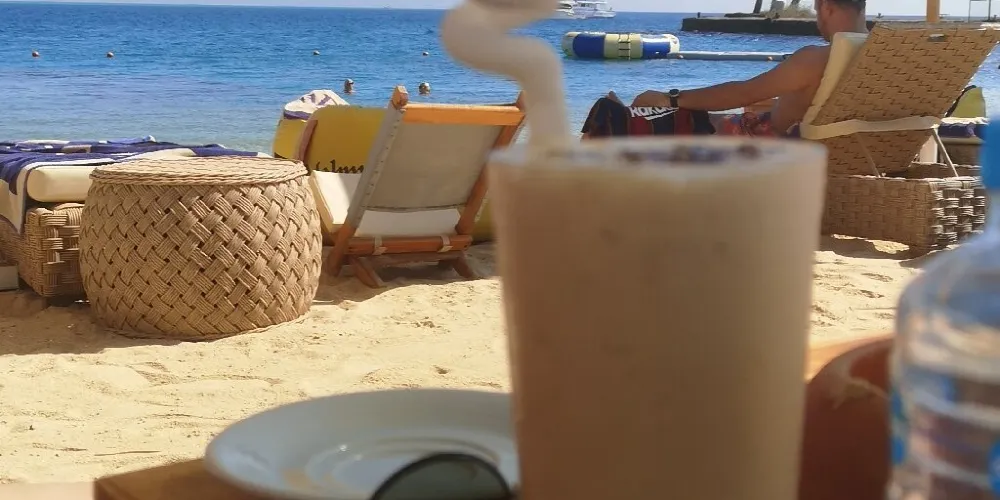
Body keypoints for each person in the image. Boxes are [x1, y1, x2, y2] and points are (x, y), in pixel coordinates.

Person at [609, 0, 868, 138]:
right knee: (715, 117)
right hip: (852, 147)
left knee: (683, 118)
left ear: (826, 7)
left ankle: (620, 116)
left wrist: (671, 98)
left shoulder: (814, 59)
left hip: (773, 145)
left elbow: (741, 94)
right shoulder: (878, 55)